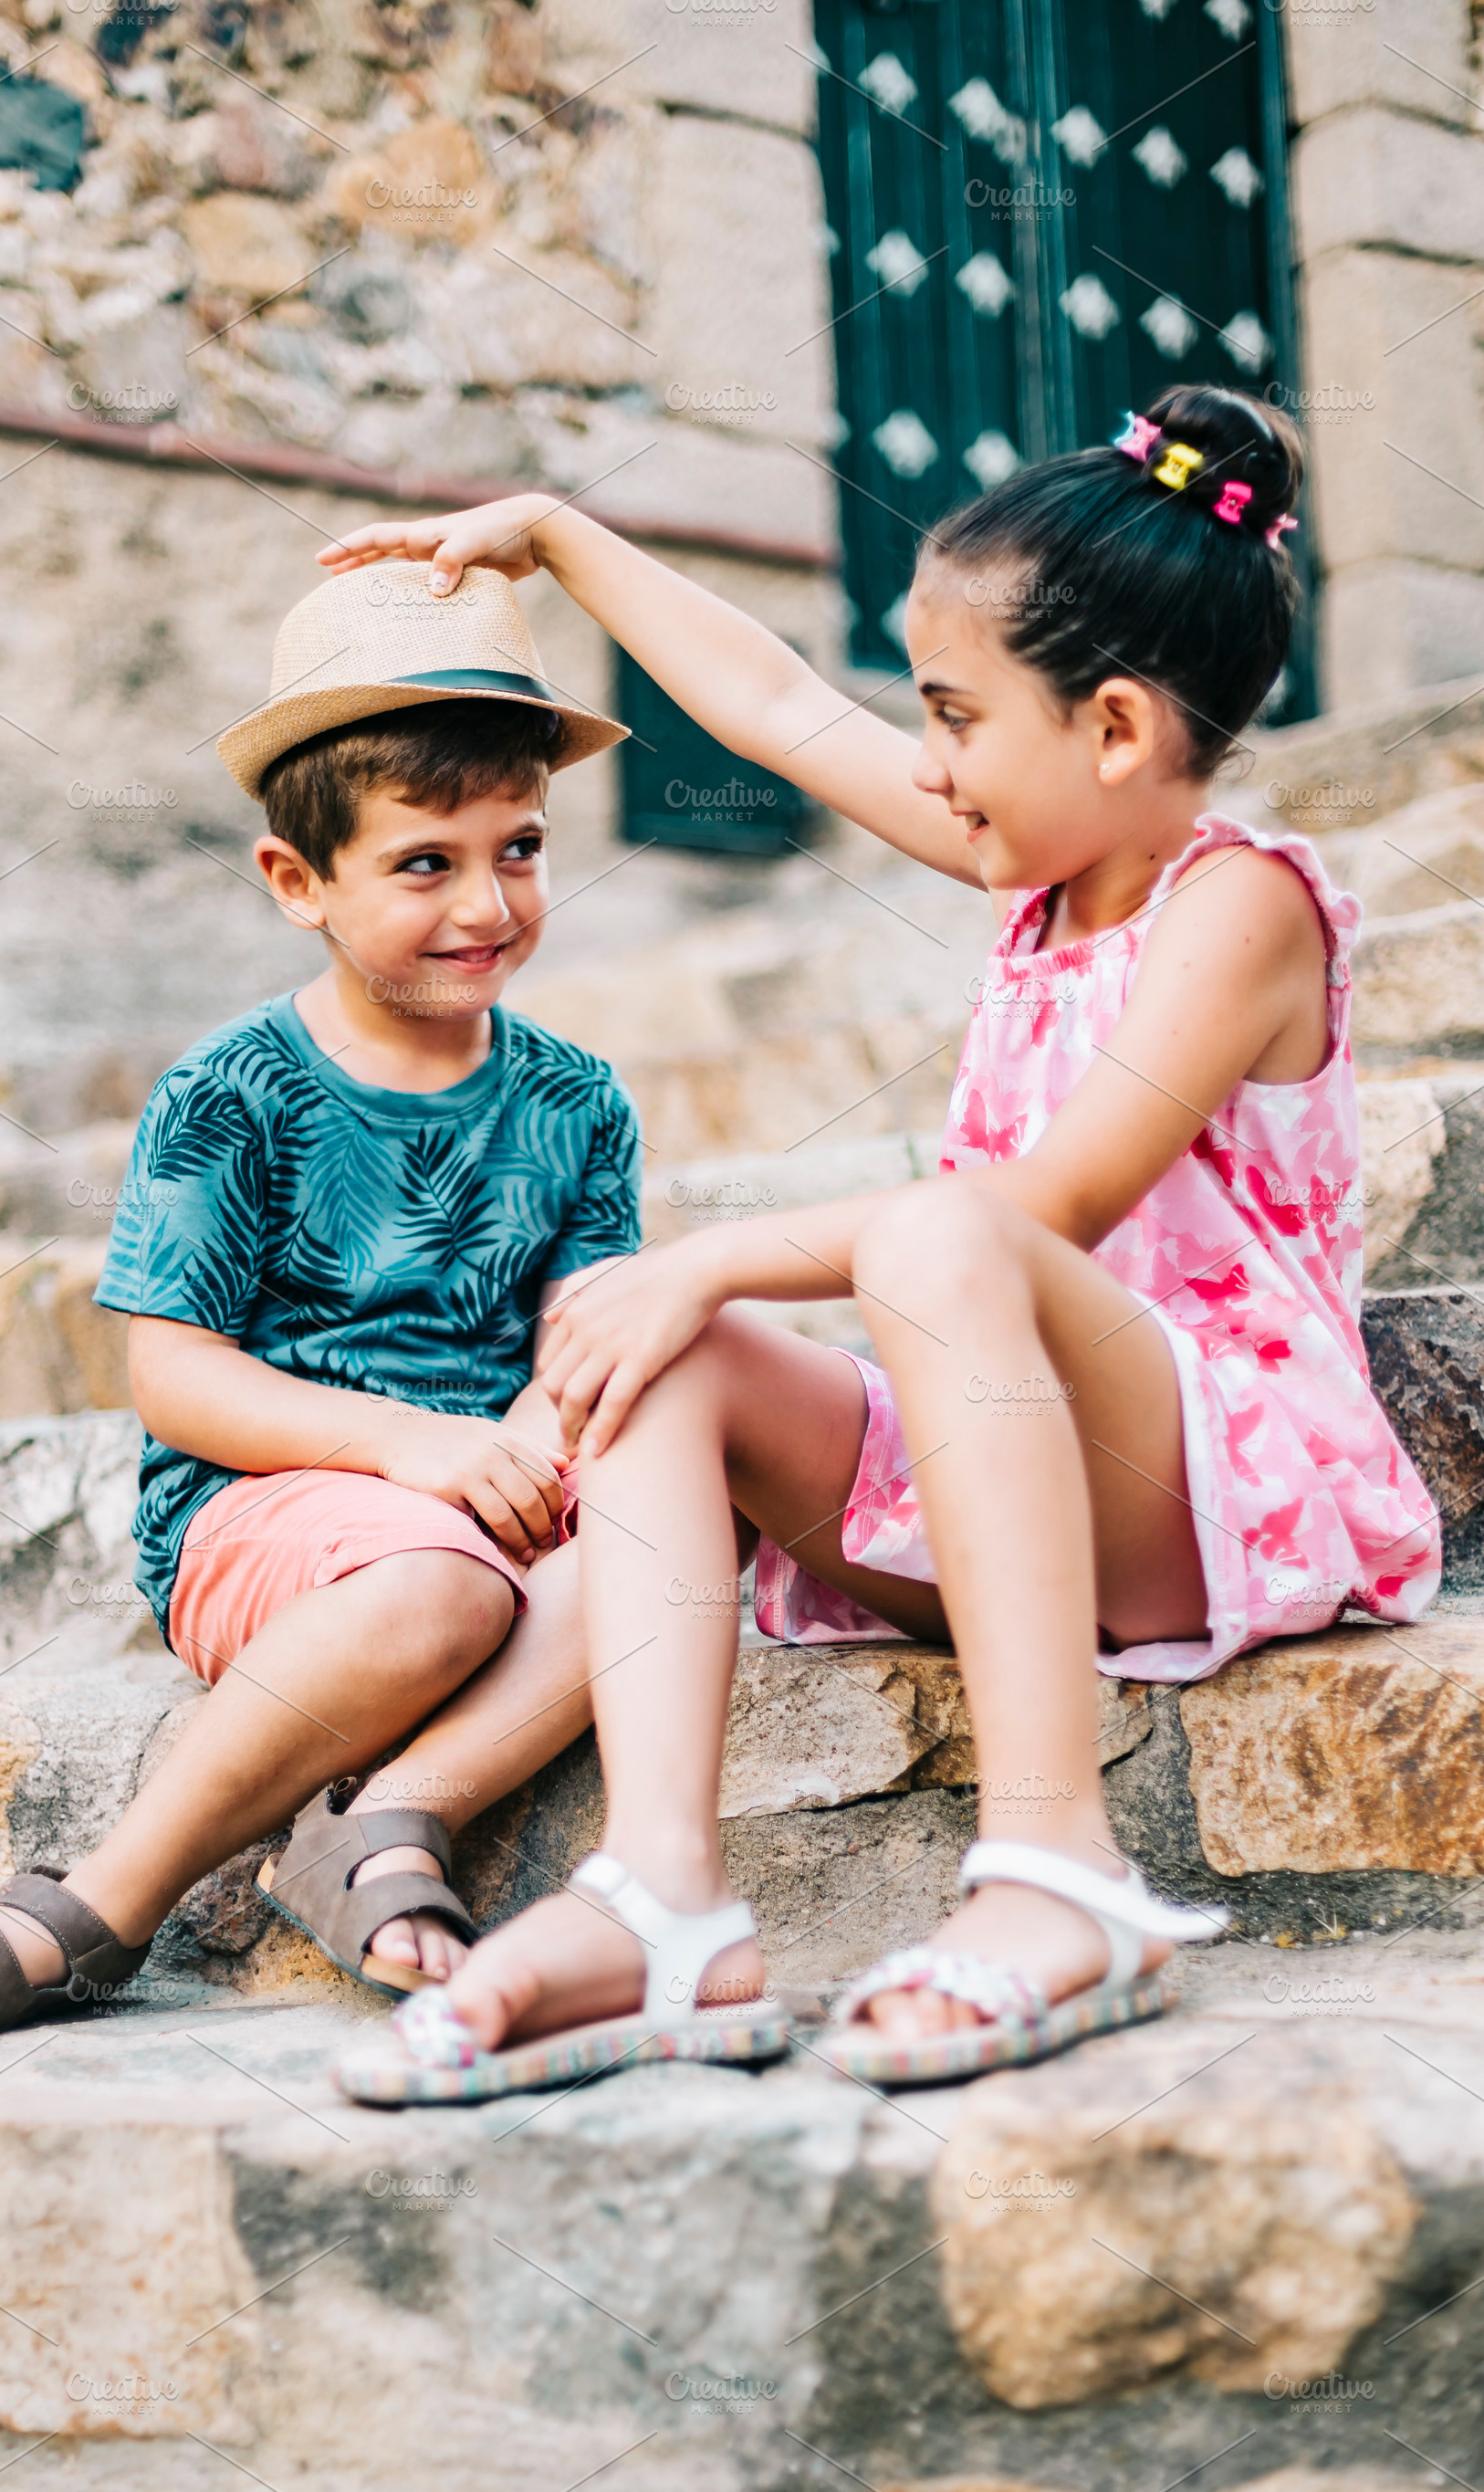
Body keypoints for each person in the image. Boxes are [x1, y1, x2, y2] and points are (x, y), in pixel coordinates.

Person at [322, 386, 1441, 2105]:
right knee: (663, 1353)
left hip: (1210, 1488)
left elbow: (1033, 1212)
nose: (921, 762)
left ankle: (1058, 1869)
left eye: (955, 716)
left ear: (1120, 730)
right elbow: (777, 704)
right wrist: (557, 533)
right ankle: (667, 1895)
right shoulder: (1044, 867)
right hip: (1002, 1457)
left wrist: (714, 1247)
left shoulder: (1241, 905)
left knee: (915, 1234)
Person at [0, 560, 685, 2047]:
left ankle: (385, 1822)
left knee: (670, 1523)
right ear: (298, 881)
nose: (489, 902)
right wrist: (414, 1452)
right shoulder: (232, 1093)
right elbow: (176, 1377)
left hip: (507, 1483)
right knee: (442, 1581)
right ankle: (114, 1893)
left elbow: (592, 1332)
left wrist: (519, 1446)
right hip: (280, 1505)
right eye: (426, 862)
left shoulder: (577, 1100)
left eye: (522, 848)